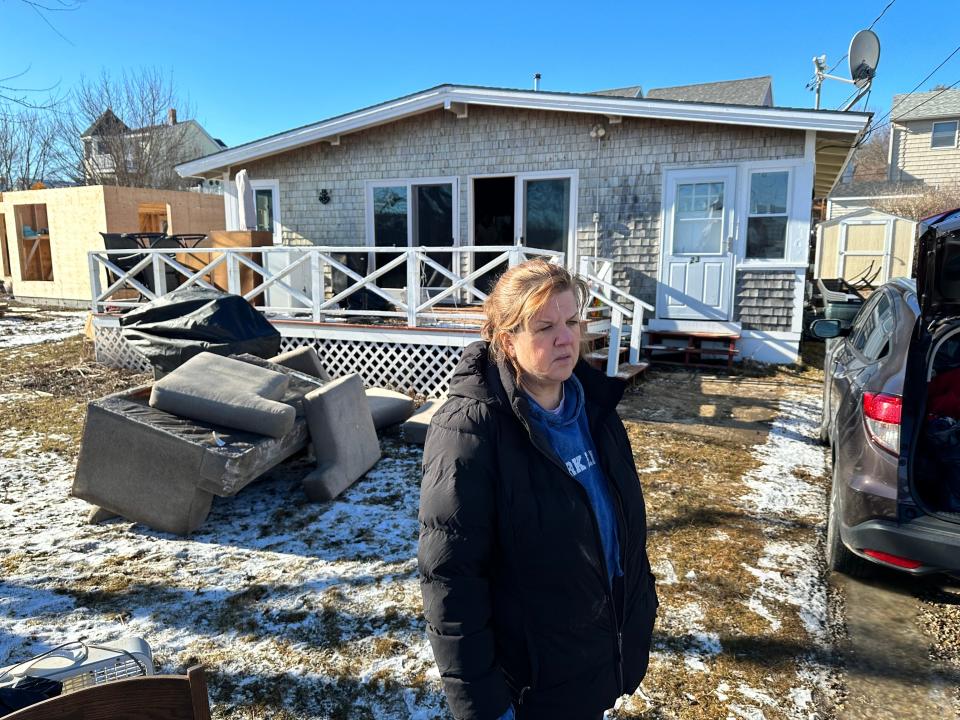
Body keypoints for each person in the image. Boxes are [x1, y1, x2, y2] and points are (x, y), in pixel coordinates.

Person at [418, 259, 658, 720]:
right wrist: (485, 706)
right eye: (544, 326)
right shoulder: (471, 430)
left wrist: (638, 612)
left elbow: (622, 530)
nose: (566, 338)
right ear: (507, 340)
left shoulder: (595, 409)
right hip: (531, 684)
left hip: (596, 658)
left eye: (571, 321)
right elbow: (452, 581)